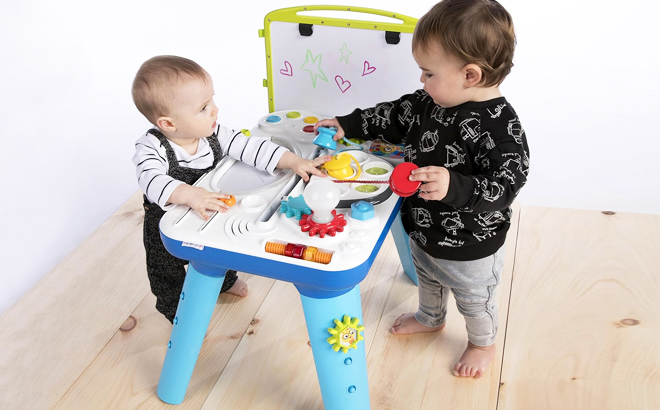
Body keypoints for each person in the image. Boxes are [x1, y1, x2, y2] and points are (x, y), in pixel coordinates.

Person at [315, 0, 529, 379]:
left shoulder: (500, 128)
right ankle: (430, 318)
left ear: (471, 75)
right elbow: (393, 115)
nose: (421, 81)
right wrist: (349, 123)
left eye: (428, 73)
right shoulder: (430, 101)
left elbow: (506, 184)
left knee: (474, 301)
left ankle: (482, 343)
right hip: (422, 225)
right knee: (427, 278)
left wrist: (454, 185)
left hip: (470, 244)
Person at [132, 55, 330, 323]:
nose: (214, 110)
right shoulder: (151, 147)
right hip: (167, 221)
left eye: (212, 100)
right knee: (165, 269)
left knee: (218, 249)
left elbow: (252, 147)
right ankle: (175, 312)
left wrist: (293, 161)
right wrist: (190, 195)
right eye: (203, 107)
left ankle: (224, 281)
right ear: (168, 124)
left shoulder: (213, 133)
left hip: (212, 209)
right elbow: (150, 179)